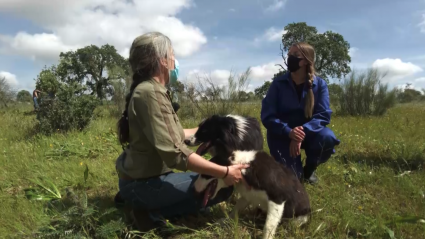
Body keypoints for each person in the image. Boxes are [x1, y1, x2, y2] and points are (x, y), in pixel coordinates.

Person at [114, 32, 249, 231]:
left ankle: (142, 201)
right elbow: (176, 155)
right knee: (221, 185)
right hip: (143, 184)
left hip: (139, 180)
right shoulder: (150, 94)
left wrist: (211, 127)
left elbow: (175, 133)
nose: (174, 60)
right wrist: (225, 172)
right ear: (162, 60)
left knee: (210, 182)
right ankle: (148, 211)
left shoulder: (150, 91)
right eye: (172, 55)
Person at [261, 42, 340, 185]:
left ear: (306, 61)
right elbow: (268, 116)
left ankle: (309, 171)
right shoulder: (278, 84)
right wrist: (288, 132)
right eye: (289, 54)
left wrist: (302, 132)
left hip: (309, 134)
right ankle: (295, 170)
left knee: (327, 138)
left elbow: (323, 115)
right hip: (281, 135)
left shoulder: (320, 84)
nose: (290, 58)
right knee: (293, 179)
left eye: (295, 55)